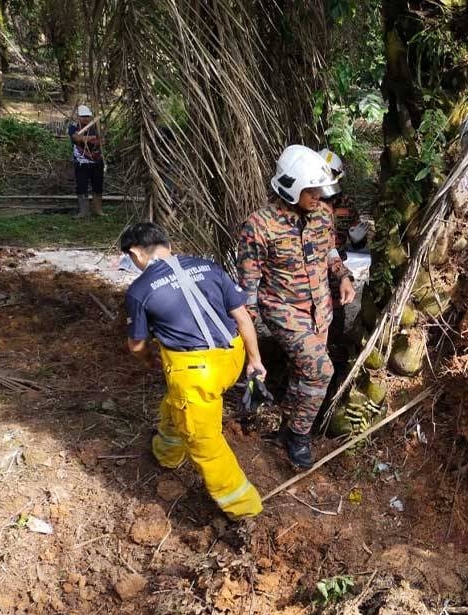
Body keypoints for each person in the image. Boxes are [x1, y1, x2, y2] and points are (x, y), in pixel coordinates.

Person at [120, 222, 265, 519]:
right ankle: (168, 453)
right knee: (177, 404)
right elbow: (243, 317)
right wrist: (255, 360)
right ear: (167, 244)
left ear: (136, 253)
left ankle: (245, 509)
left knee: (204, 442)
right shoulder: (208, 267)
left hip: (196, 373)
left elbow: (136, 346)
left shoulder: (139, 290)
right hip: (233, 358)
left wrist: (151, 360)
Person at [239, 145, 355, 469]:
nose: (318, 195)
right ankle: (298, 436)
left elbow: (330, 252)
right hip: (284, 310)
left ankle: (285, 426)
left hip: (321, 308)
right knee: (321, 369)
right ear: (291, 188)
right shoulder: (259, 226)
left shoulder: (323, 214)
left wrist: (343, 276)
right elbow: (248, 286)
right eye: (312, 190)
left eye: (320, 189)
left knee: (303, 371)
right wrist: (248, 346)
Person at [317, 149, 368, 251]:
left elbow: (359, 245)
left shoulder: (346, 204)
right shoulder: (307, 202)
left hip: (337, 263)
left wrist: (357, 240)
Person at [68, 105, 104, 218]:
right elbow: (76, 138)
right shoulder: (73, 126)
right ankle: (83, 211)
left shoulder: (96, 126)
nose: (86, 119)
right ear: (78, 117)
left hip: (97, 161)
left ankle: (98, 210)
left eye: (87, 116)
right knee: (81, 186)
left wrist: (91, 138)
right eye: (83, 116)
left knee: (98, 186)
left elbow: (101, 141)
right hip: (81, 162)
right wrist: (90, 138)